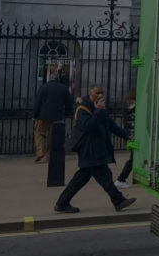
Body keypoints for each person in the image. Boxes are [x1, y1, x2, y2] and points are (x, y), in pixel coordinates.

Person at [55, 85, 136, 213]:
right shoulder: (82, 108)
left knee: (81, 178)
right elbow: (87, 126)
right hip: (88, 149)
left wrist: (126, 135)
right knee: (104, 176)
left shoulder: (99, 108)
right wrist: (98, 111)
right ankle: (118, 200)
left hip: (95, 149)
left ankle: (62, 202)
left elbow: (110, 124)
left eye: (102, 93)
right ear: (90, 93)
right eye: (97, 93)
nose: (100, 95)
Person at [31, 68, 73, 163]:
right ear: (58, 79)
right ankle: (49, 155)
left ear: (49, 79)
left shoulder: (43, 87)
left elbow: (38, 102)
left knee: (39, 133)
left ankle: (40, 154)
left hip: (43, 116)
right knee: (52, 137)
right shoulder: (64, 88)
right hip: (57, 117)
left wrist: (34, 114)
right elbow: (69, 103)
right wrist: (67, 113)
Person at [115, 88, 137, 188]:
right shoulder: (136, 107)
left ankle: (121, 179)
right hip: (134, 135)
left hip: (129, 134)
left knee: (133, 158)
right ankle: (121, 179)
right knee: (133, 159)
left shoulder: (127, 106)